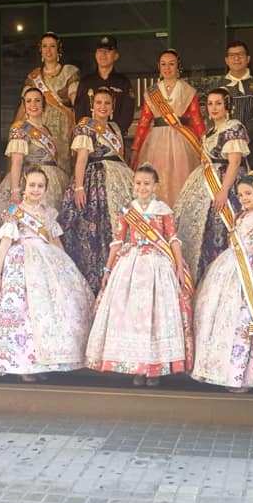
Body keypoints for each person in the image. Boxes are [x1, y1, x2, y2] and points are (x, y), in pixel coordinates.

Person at [0, 166, 94, 380]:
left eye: (40, 186)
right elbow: (5, 244)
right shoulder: (15, 212)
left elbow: (55, 240)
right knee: (24, 313)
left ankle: (44, 362)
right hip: (21, 262)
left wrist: (67, 268)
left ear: (45, 189)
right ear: (25, 187)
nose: (35, 189)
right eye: (32, 185)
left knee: (46, 312)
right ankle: (25, 365)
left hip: (47, 260)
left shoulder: (48, 212)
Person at [86, 164, 193, 387]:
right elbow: (117, 241)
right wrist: (107, 269)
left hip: (158, 264)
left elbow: (172, 238)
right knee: (133, 316)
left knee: (156, 315)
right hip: (131, 265)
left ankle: (154, 367)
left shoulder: (163, 210)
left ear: (155, 186)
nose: (142, 187)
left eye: (146, 183)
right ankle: (136, 365)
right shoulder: (128, 211)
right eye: (138, 183)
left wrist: (179, 265)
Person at [191, 174, 253, 392]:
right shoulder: (240, 217)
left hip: (252, 274)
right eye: (240, 195)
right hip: (232, 271)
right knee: (227, 320)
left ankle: (244, 376)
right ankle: (226, 371)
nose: (244, 198)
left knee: (245, 322)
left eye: (248, 193)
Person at [59, 88, 135, 294]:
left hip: (119, 179)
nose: (103, 107)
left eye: (107, 103)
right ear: (93, 105)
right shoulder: (86, 127)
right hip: (95, 178)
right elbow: (82, 158)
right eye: (99, 103)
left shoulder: (115, 128)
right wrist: (79, 186)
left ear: (112, 108)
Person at [173, 88, 249, 281]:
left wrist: (223, 191)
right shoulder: (209, 133)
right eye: (210, 104)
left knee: (221, 227)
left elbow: (235, 162)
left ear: (227, 106)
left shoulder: (234, 127)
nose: (214, 108)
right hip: (205, 183)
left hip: (226, 184)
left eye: (218, 103)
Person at [0, 87, 69, 232]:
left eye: (37, 101)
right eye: (29, 101)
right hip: (30, 179)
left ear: (43, 105)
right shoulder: (20, 129)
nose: (33, 104)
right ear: (24, 106)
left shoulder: (46, 130)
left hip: (52, 180)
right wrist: (15, 190)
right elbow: (17, 162)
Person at [128, 49, 205, 204]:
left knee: (181, 178)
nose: (167, 68)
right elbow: (144, 122)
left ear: (178, 67)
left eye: (171, 64)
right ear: (159, 67)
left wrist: (204, 144)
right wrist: (136, 148)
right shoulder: (152, 92)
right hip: (156, 142)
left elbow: (196, 119)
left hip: (182, 140)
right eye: (163, 64)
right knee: (157, 178)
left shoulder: (188, 90)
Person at [15, 31, 79, 173]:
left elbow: (75, 101)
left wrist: (78, 125)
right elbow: (23, 106)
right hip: (39, 126)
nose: (48, 50)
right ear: (40, 50)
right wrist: (15, 127)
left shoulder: (69, 72)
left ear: (58, 50)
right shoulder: (33, 77)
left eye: (52, 46)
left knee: (62, 165)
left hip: (63, 127)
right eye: (44, 46)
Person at [217, 41, 253, 168]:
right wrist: (231, 138)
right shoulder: (218, 87)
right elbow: (214, 117)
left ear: (248, 59)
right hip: (226, 147)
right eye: (232, 55)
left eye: (240, 54)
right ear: (226, 60)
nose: (236, 58)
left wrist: (241, 135)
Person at [74, 35, 135, 135]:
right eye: (100, 51)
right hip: (89, 137)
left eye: (108, 51)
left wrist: (111, 133)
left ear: (116, 56)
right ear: (95, 54)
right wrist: (88, 131)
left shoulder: (123, 82)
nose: (103, 54)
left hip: (114, 137)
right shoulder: (86, 82)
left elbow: (127, 113)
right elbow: (79, 111)